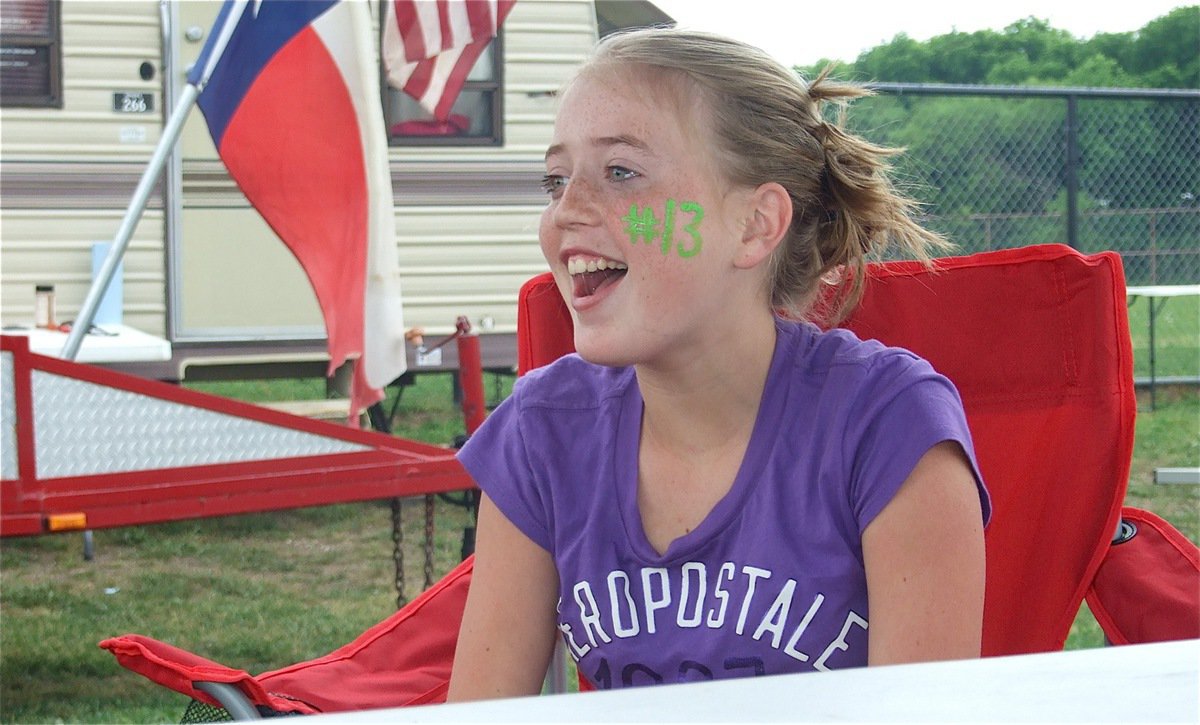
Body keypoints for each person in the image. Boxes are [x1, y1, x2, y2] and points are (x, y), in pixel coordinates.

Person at [448, 27, 990, 700]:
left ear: (754, 225)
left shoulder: (888, 427)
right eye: (556, 180)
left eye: (621, 172)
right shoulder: (543, 433)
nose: (565, 213)